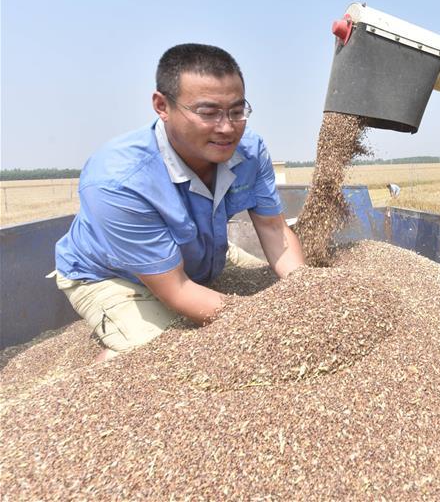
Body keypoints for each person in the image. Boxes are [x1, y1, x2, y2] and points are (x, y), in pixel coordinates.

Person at [52, 43, 305, 360]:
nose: (227, 128)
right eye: (208, 113)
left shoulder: (249, 150)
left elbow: (273, 229)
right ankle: (110, 358)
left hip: (195, 254)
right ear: (162, 106)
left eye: (237, 111)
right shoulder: (119, 180)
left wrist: (305, 293)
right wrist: (265, 322)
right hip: (113, 275)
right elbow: (176, 289)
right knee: (167, 356)